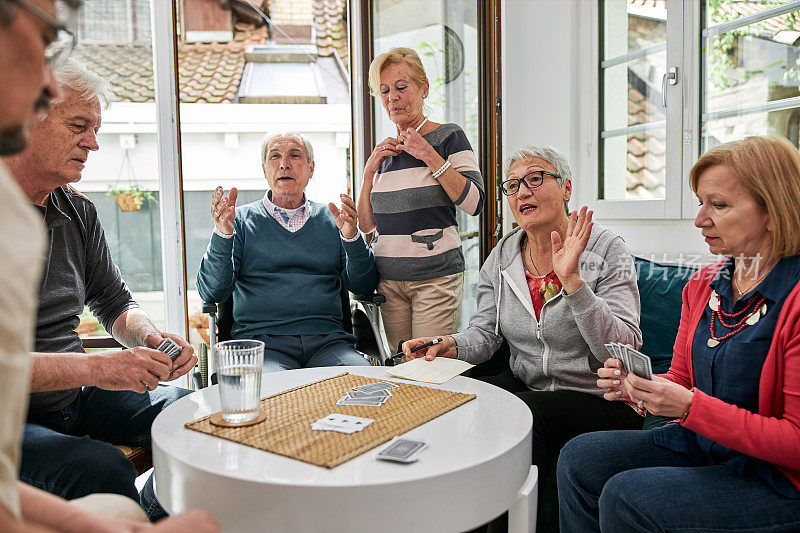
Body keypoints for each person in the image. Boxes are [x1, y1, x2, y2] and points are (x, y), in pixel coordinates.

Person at [0, 1, 218, 531]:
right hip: (13, 418)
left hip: (74, 395)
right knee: (97, 466)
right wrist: (97, 368)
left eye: (96, 128)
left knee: (190, 414)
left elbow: (114, 301)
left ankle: (161, 517)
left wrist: (151, 339)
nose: (94, 143)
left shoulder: (78, 211)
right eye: (79, 125)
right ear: (34, 109)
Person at [558, 136, 800, 532]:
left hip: (776, 477)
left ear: (773, 210)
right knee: (580, 457)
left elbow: (795, 440)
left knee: (627, 496)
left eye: (718, 205)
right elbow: (681, 380)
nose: (700, 220)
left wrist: (689, 407)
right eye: (701, 203)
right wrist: (639, 388)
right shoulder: (703, 285)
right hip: (706, 444)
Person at [403, 145, 643, 532]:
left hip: (601, 395)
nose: (523, 193)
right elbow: (485, 332)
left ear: (566, 188)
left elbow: (624, 346)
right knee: (464, 401)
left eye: (535, 179)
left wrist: (574, 284)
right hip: (532, 384)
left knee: (519, 414)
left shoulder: (605, 249)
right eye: (512, 186)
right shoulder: (502, 256)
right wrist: (451, 344)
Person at [197, 132, 378, 372]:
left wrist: (351, 237)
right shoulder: (239, 221)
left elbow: (363, 286)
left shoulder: (333, 220)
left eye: (295, 155)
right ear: (264, 169)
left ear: (310, 168)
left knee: (363, 381)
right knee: (273, 397)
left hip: (329, 342)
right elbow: (212, 292)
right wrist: (223, 234)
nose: (284, 164)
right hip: (262, 344)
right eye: (275, 156)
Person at [357, 47, 485, 351]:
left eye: (402, 87)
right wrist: (367, 173)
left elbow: (475, 202)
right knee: (403, 371)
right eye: (385, 90)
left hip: (435, 280)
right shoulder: (386, 152)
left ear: (424, 89)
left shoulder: (449, 137)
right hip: (388, 283)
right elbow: (366, 225)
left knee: (429, 367)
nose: (393, 97)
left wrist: (427, 152)